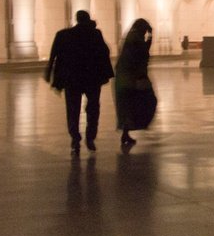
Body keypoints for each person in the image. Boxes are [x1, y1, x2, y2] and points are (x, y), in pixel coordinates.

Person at [46, 11, 113, 155]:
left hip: (72, 79)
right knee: (93, 108)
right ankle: (90, 137)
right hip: (92, 78)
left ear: (76, 20)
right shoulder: (95, 34)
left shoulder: (64, 35)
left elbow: (54, 55)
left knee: (73, 109)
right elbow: (105, 51)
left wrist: (50, 73)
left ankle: (75, 138)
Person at [113, 18, 155, 151]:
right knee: (146, 101)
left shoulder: (132, 37)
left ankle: (126, 134)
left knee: (128, 106)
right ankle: (132, 129)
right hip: (131, 77)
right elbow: (142, 55)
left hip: (126, 77)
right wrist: (150, 37)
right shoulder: (135, 39)